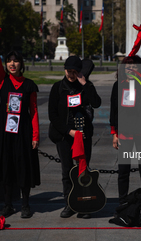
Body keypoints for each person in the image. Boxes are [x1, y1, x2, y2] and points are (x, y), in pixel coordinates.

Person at [0, 20, 40, 219]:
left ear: (21, 64)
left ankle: (25, 204)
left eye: (16, 61)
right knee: (6, 167)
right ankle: (7, 204)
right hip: (4, 132)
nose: (12, 64)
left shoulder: (29, 85)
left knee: (23, 168)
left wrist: (35, 135)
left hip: (23, 131)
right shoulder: (3, 81)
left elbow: (33, 112)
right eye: (9, 61)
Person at [110, 24, 141, 205]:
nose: (131, 68)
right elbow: (114, 110)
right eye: (128, 66)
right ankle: (122, 201)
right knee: (123, 170)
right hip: (124, 133)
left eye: (134, 66)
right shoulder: (119, 85)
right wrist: (114, 133)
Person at [48, 56, 101, 219]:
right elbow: (53, 115)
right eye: (68, 71)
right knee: (67, 171)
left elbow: (97, 102)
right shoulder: (58, 88)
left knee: (83, 171)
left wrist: (86, 84)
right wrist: (68, 131)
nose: (71, 75)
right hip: (65, 136)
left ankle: (84, 204)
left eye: (74, 72)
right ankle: (69, 203)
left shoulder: (85, 87)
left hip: (83, 135)